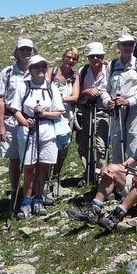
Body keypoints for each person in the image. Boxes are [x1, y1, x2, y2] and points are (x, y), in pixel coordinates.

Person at [66, 115, 137, 230]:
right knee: (112, 170)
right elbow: (125, 166)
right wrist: (107, 168)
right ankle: (94, 210)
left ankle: (118, 214)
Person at [10, 55, 64, 218]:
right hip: (28, 131)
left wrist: (44, 113)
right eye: (36, 67)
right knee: (29, 168)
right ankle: (26, 201)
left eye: (43, 66)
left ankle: (38, 198)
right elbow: (15, 109)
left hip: (47, 130)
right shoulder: (23, 86)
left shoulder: (51, 88)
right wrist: (25, 122)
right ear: (31, 70)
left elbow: (59, 112)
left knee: (43, 167)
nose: (41, 69)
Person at [100, 34, 137, 163]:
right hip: (116, 112)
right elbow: (104, 89)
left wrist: (128, 101)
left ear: (134, 46)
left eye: (130, 44)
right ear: (119, 46)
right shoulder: (112, 65)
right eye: (124, 44)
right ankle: (118, 179)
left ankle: (133, 180)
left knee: (134, 145)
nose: (127, 47)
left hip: (135, 111)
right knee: (116, 144)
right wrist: (108, 101)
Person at [0, 38, 35, 202]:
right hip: (11, 121)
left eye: (28, 49)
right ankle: (14, 189)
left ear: (33, 51)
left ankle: (30, 190)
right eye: (22, 49)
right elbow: (0, 100)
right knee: (14, 159)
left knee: (32, 159)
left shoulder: (37, 69)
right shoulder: (7, 72)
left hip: (31, 121)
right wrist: (0, 126)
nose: (26, 52)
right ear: (17, 52)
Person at [48, 47, 80, 196]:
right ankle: (45, 179)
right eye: (68, 57)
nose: (71, 61)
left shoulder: (75, 76)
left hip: (66, 118)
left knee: (63, 149)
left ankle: (55, 177)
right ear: (63, 57)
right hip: (50, 117)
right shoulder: (52, 71)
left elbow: (75, 97)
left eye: (74, 59)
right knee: (49, 147)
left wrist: (57, 99)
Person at [76, 42, 109, 185]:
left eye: (99, 56)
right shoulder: (82, 71)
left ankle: (102, 175)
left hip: (104, 111)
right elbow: (76, 93)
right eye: (92, 56)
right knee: (84, 144)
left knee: (101, 144)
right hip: (86, 110)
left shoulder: (109, 70)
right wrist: (86, 92)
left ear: (103, 57)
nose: (95, 59)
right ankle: (88, 172)